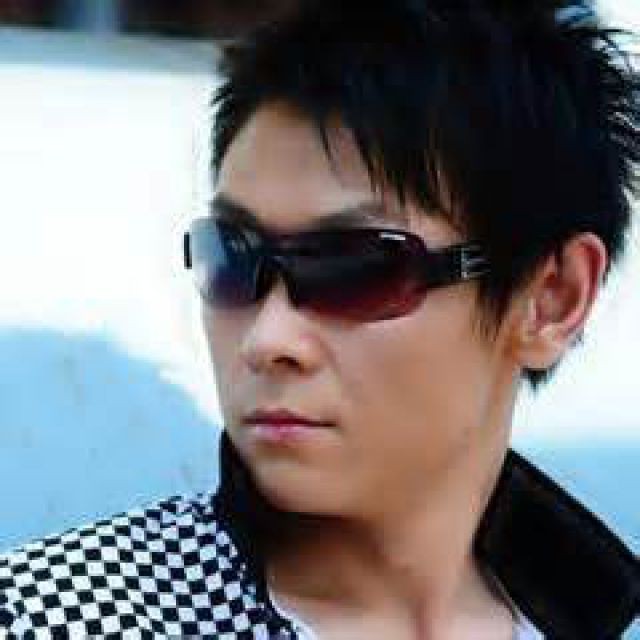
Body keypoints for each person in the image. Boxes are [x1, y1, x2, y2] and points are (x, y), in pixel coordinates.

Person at [1, 1, 639, 638]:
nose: (267, 339)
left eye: (354, 268)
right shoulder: (53, 619)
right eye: (233, 259)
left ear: (552, 298)